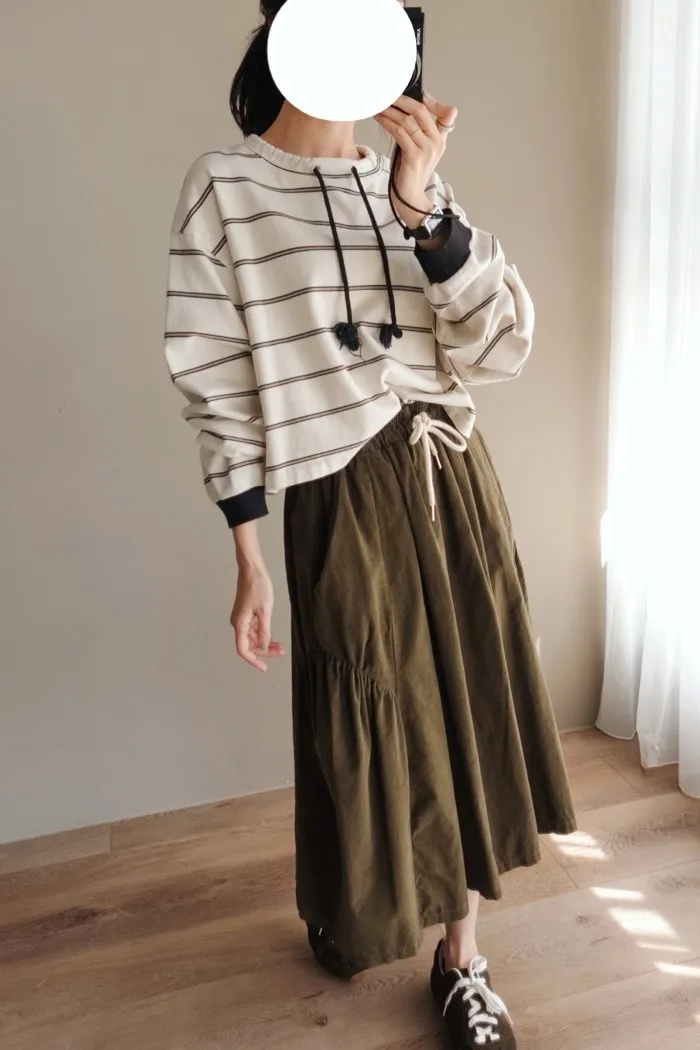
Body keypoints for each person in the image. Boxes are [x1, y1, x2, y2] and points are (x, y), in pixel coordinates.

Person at [164, 2, 577, 1046]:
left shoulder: (410, 184)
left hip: (449, 475)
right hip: (336, 491)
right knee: (363, 714)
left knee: (464, 706)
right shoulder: (225, 188)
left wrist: (421, 211)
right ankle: (353, 909)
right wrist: (247, 552)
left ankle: (462, 960)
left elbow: (501, 346)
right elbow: (216, 382)